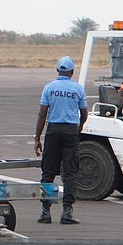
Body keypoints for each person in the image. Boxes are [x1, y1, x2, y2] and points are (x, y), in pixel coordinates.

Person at [34, 56, 87, 224]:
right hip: (70, 131)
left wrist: (37, 138)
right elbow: (84, 112)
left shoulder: (49, 87)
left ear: (58, 71)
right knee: (70, 172)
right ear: (72, 72)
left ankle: (45, 212)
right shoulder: (78, 88)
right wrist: (79, 126)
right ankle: (67, 212)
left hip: (53, 131)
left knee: (48, 172)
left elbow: (42, 114)